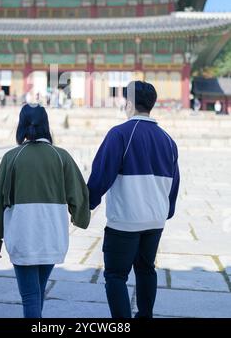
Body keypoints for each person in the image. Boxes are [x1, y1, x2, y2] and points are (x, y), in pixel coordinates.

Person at [0, 104, 90, 318]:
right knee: (37, 292)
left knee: (31, 296)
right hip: (52, 236)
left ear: (21, 126)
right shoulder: (61, 156)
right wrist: (79, 218)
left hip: (22, 237)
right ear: (46, 126)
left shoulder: (11, 157)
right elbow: (79, 195)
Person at [87, 81, 180, 319]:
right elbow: (174, 184)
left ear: (129, 103)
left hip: (125, 222)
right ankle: (145, 315)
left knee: (116, 275)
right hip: (155, 221)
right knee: (146, 269)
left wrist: (87, 203)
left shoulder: (120, 134)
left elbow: (101, 175)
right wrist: (165, 212)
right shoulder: (168, 141)